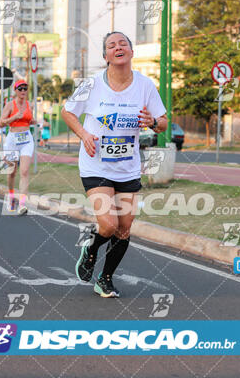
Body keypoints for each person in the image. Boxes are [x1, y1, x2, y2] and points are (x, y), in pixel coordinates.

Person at [61, 32, 168, 298]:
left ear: (131, 52)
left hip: (127, 166)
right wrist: (84, 135)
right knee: (108, 225)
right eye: (111, 45)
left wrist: (151, 122)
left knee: (124, 228)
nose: (117, 47)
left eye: (123, 44)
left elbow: (163, 121)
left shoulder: (145, 85)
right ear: (106, 56)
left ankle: (105, 279)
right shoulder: (92, 84)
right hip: (95, 164)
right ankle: (91, 249)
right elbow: (68, 111)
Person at [0, 79, 36, 215]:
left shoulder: (29, 105)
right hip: (12, 140)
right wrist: (13, 118)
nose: (23, 91)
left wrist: (32, 121)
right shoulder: (9, 105)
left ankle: (22, 204)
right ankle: (11, 196)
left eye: (25, 89)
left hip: (26, 139)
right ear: (15, 91)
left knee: (24, 171)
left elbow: (29, 120)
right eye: (20, 89)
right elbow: (1, 124)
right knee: (11, 172)